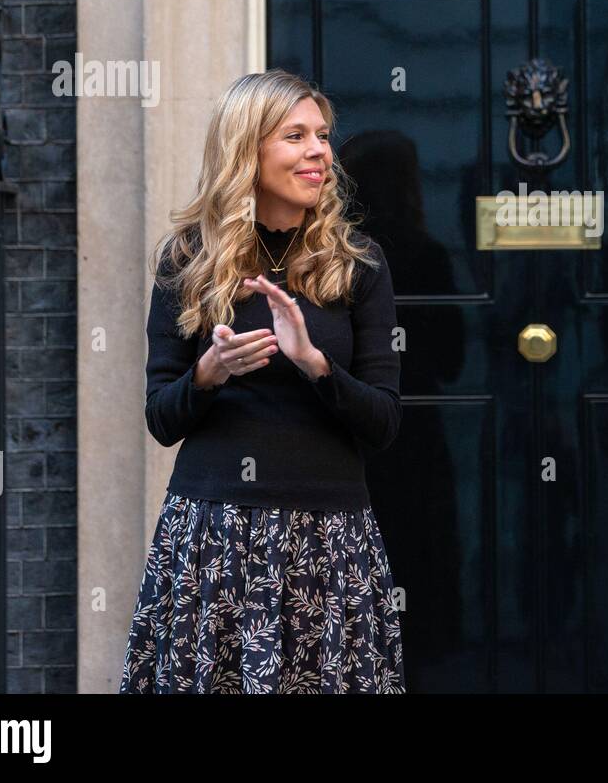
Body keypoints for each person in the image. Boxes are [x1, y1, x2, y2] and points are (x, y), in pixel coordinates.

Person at [119, 68, 404, 694]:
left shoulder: (356, 263)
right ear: (247, 148)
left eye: (322, 136)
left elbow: (383, 421)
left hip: (329, 536)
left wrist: (315, 364)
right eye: (295, 136)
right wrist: (210, 372)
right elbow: (161, 418)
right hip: (216, 533)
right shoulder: (188, 259)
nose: (319, 152)